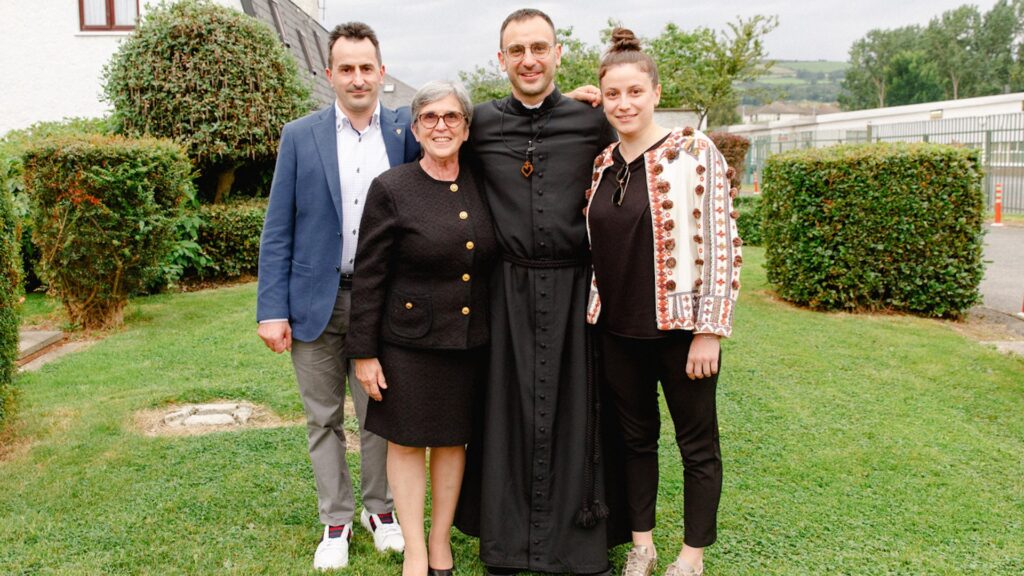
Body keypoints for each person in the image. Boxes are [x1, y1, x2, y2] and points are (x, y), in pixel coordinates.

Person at [454, 8, 629, 576]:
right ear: (500, 59)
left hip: (578, 289)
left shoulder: (591, 121)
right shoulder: (477, 124)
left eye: (539, 48)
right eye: (516, 50)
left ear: (557, 54)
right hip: (505, 291)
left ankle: (577, 544)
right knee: (506, 414)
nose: (528, 60)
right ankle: (507, 546)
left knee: (579, 413)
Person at [256, 22, 419, 571]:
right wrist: (272, 308)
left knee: (380, 414)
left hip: (382, 304)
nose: (356, 78)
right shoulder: (299, 136)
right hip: (311, 303)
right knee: (322, 417)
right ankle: (335, 519)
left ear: (380, 71)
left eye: (365, 67)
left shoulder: (406, 133)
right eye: (345, 68)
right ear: (329, 74)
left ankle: (380, 510)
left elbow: (467, 135)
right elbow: (279, 227)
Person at [583, 29, 742, 576]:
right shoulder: (603, 163)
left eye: (634, 91)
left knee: (696, 445)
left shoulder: (694, 152)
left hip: (681, 332)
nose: (623, 103)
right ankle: (643, 544)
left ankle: (692, 555)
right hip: (617, 332)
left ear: (655, 91)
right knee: (635, 442)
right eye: (612, 94)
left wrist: (709, 330)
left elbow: (722, 243)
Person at [345, 81, 497, 576]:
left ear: (467, 128)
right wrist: (363, 352)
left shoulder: (483, 182)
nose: (440, 126)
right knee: (407, 443)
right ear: (414, 127)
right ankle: (413, 550)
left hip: (468, 341)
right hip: (405, 342)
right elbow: (369, 276)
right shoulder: (392, 187)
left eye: (452, 117)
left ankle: (439, 544)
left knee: (453, 441)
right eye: (429, 117)